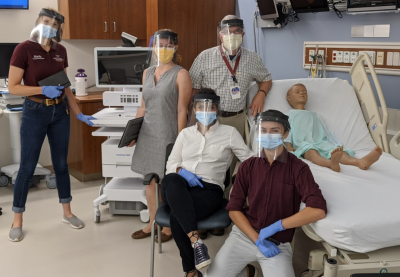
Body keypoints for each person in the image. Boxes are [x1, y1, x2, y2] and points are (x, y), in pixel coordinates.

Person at [7, 8, 96, 242]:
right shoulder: (23, 49)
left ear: (59, 29)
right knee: (26, 168)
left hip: (59, 112)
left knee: (61, 165)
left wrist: (78, 113)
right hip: (34, 111)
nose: (50, 26)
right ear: (38, 22)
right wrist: (40, 89)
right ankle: (17, 220)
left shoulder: (60, 50)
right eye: (46, 22)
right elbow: (14, 87)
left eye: (54, 24)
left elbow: (66, 85)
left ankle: (67, 212)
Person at [205, 110, 327, 277]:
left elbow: (318, 210)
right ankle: (246, 272)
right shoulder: (247, 167)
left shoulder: (299, 169)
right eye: (263, 130)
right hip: (243, 236)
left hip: (277, 243)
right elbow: (234, 209)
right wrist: (256, 239)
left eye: (275, 131)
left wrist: (277, 226)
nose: (268, 135)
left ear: (286, 134)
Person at [189, 15, 272, 237]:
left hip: (237, 119)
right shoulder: (204, 58)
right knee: (207, 167)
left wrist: (261, 94)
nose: (232, 36)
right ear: (219, 34)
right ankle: (199, 218)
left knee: (233, 171)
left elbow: (266, 78)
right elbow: (193, 90)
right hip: (210, 120)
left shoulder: (252, 59)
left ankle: (220, 215)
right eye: (227, 31)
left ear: (243, 35)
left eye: (236, 31)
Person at [161, 89, 254, 277]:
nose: (206, 110)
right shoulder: (185, 134)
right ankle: (197, 242)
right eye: (201, 106)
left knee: (175, 218)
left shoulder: (229, 133)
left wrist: (241, 177)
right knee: (171, 178)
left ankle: (191, 271)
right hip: (178, 185)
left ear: (217, 109)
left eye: (210, 107)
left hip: (208, 189)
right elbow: (171, 164)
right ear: (194, 109)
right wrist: (182, 172)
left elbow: (249, 160)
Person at [128, 30, 192, 243]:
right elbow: (143, 106)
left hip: (168, 134)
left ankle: (169, 226)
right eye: (159, 44)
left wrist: (180, 141)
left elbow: (183, 110)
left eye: (167, 45)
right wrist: (133, 133)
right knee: (149, 182)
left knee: (167, 183)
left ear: (175, 47)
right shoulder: (147, 72)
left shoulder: (181, 74)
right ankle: (153, 222)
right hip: (147, 134)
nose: (162, 49)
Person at [285, 83, 382, 172]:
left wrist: (335, 144)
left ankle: (360, 162)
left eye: (304, 92)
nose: (301, 93)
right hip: (303, 144)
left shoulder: (315, 115)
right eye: (297, 92)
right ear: (289, 98)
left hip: (320, 142)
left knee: (337, 151)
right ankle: (330, 163)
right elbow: (286, 131)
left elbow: (326, 131)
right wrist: (288, 146)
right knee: (311, 152)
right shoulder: (289, 115)